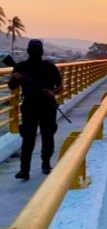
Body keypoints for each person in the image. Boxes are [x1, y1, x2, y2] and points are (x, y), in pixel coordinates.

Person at [8, 40, 64, 180]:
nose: (34, 51)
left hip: (46, 105)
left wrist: (52, 92)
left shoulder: (49, 67)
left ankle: (45, 164)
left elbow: (60, 86)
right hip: (30, 105)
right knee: (29, 138)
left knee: (46, 135)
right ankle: (25, 170)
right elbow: (12, 86)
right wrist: (16, 78)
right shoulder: (20, 67)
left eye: (36, 49)